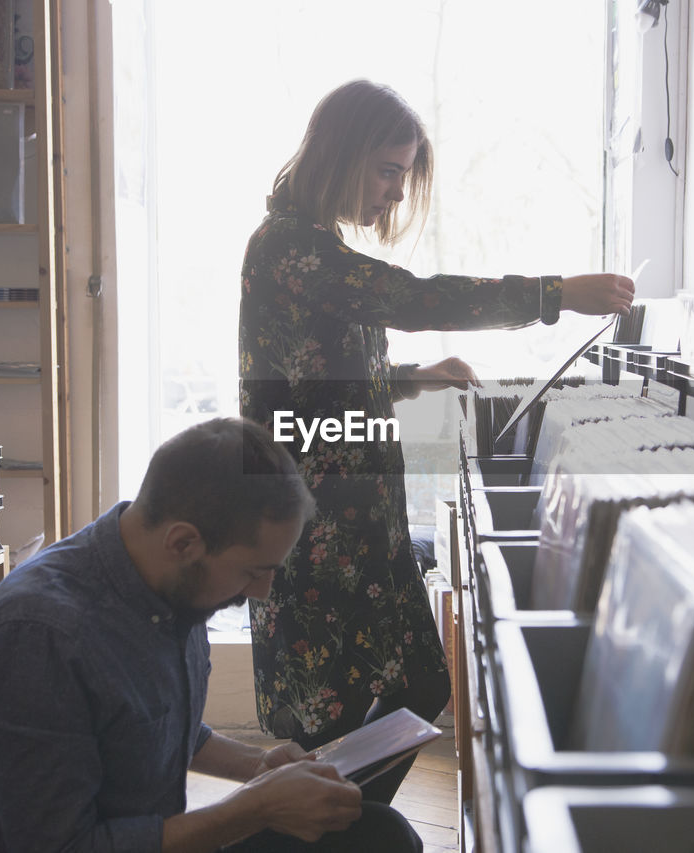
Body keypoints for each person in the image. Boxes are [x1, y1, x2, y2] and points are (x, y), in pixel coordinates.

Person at [239, 79, 634, 803]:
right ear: (341, 154)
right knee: (340, 710)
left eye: (402, 174)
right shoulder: (287, 249)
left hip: (358, 518)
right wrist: (553, 296)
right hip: (315, 526)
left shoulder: (316, 249)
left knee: (419, 680)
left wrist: (413, 376)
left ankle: (343, 822)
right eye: (388, 170)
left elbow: (319, 375)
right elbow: (412, 297)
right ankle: (329, 826)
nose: (394, 193)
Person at [0, 417, 424, 852]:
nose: (262, 592)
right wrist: (256, 807)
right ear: (182, 542)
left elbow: (153, 725)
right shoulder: (39, 635)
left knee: (378, 834)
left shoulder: (169, 587)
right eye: (253, 571)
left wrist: (257, 766)